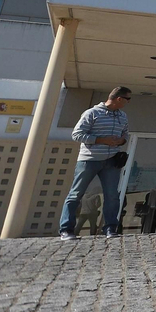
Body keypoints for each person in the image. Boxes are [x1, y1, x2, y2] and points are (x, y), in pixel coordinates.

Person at [59, 86, 132, 240]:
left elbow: (126, 132)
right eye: (128, 99)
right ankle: (66, 229)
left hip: (111, 160)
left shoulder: (123, 116)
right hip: (89, 160)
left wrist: (122, 140)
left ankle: (110, 228)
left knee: (112, 195)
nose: (128, 102)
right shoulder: (92, 113)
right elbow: (77, 134)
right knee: (76, 193)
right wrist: (100, 140)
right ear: (119, 99)